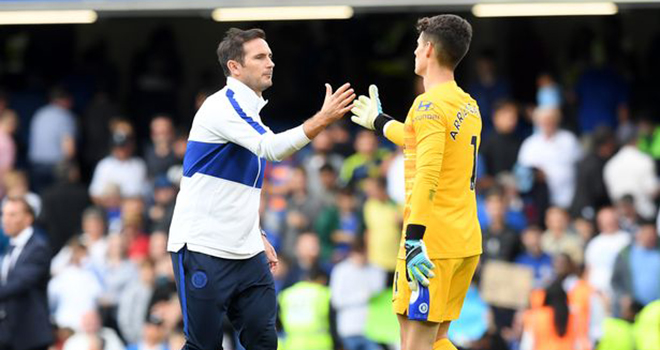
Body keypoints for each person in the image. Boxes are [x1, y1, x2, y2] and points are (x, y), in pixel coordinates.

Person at [167, 27, 355, 349]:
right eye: (260, 56)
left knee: (264, 340)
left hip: (246, 252)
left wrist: (256, 234)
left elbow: (237, 192)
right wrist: (322, 120)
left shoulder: (250, 111)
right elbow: (272, 148)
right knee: (203, 346)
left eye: (269, 55)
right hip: (202, 248)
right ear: (234, 67)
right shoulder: (222, 106)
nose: (270, 62)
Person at [351, 14, 481, 350]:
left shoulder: (428, 105)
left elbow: (427, 175)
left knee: (414, 346)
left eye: (416, 45)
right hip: (463, 240)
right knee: (437, 342)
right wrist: (380, 122)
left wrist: (413, 240)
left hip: (429, 245)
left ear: (429, 50)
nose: (413, 52)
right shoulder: (468, 104)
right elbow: (421, 140)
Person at [0, 197, 53, 350]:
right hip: (9, 333)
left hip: (30, 335)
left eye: (12, 215)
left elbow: (18, 284)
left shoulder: (38, 248)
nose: (5, 219)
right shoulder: (10, 247)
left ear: (28, 218)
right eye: (4, 214)